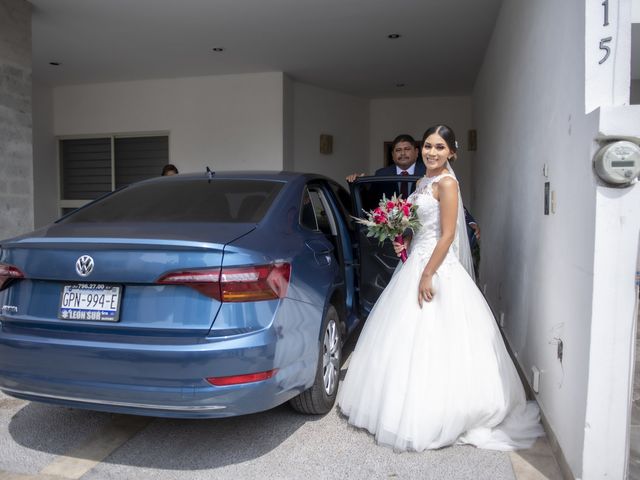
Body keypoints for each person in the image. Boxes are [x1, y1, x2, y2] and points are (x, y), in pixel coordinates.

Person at [337, 125, 543, 452]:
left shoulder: (447, 184)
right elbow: (416, 224)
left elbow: (447, 234)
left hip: (434, 267)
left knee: (438, 336)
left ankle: (435, 413)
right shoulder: (422, 182)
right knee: (402, 336)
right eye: (428, 146)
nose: (432, 152)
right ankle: (394, 406)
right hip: (414, 261)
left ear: (452, 153)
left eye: (440, 147)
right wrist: (401, 236)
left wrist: (427, 274)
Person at [346, 133, 481, 254]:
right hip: (391, 240)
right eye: (398, 150)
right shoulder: (381, 174)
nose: (403, 153)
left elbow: (450, 199)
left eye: (407, 149)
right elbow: (370, 203)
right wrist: (358, 184)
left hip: (423, 236)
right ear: (392, 155)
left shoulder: (429, 171)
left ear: (417, 152)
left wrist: (469, 221)